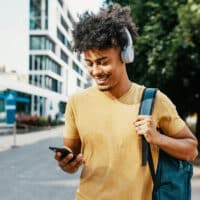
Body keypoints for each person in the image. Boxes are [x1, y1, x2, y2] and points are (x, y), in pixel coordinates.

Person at [54, 3, 198, 200]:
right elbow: (72, 158)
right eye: (90, 63)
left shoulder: (153, 100)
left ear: (125, 55)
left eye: (103, 62)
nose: (96, 71)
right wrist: (66, 164)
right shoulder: (77, 102)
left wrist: (157, 138)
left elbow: (191, 149)